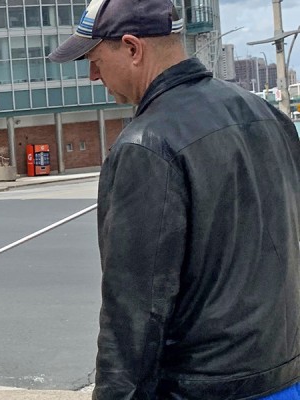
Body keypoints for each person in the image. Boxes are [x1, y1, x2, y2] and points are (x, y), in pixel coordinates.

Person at [50, 0, 300, 399]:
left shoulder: (146, 144)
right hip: (284, 376)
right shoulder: (268, 116)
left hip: (202, 385)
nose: (93, 74)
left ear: (132, 48)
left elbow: (134, 312)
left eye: (95, 59)